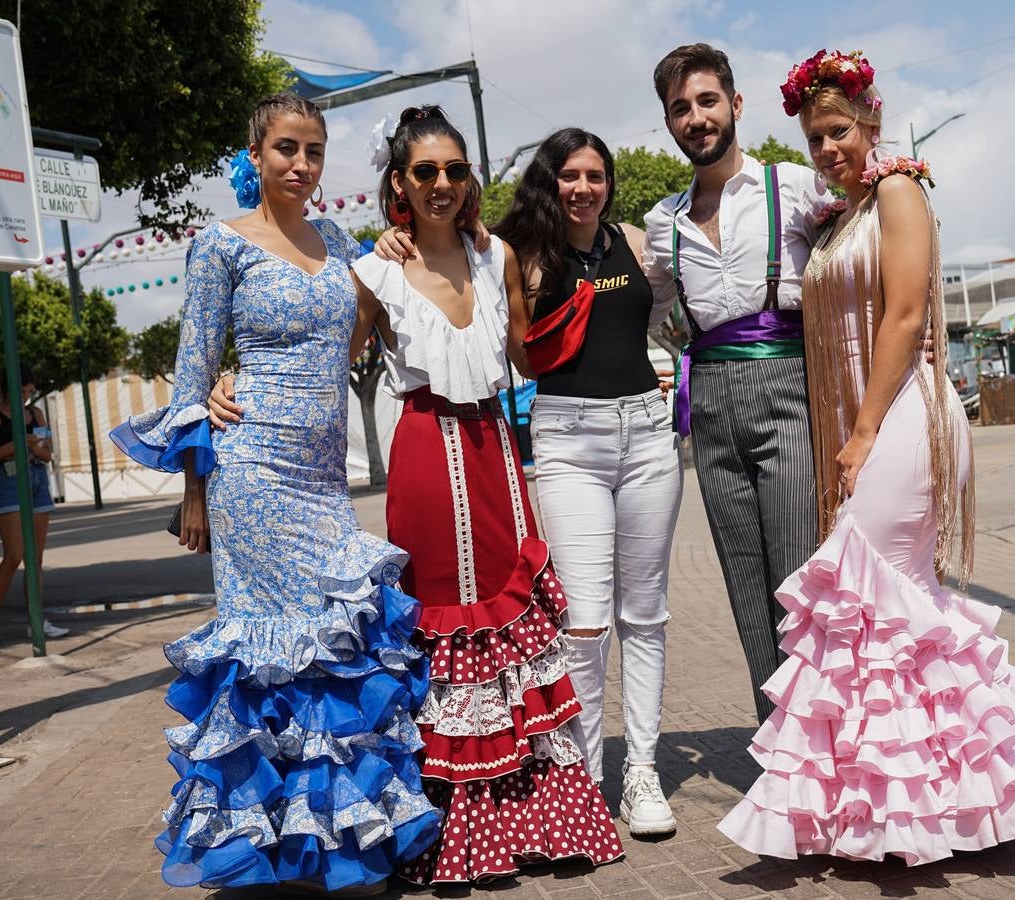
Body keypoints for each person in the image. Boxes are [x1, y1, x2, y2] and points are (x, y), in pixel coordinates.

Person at [213, 105, 624, 884]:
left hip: (498, 454)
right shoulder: (372, 271)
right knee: (441, 624)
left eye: (455, 170)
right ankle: (450, 829)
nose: (442, 184)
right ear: (398, 182)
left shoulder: (499, 254)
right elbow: (320, 358)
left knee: (512, 614)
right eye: (425, 171)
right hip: (425, 459)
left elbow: (529, 358)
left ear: (469, 180)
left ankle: (536, 820)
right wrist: (230, 382)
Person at [717, 50, 1015, 864]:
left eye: (838, 130)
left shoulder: (899, 192)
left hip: (902, 411)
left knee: (876, 595)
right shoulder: (842, 215)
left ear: (872, 118)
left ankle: (920, 807)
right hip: (868, 417)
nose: (828, 148)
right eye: (814, 139)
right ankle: (940, 801)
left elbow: (904, 318)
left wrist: (866, 429)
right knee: (892, 606)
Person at [109, 92, 440, 894]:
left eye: (314, 151)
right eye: (286, 149)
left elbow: (355, 335)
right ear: (255, 155)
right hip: (250, 471)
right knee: (268, 659)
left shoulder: (337, 240)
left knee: (333, 646)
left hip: (322, 479)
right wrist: (194, 490)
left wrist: (387, 258)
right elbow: (194, 371)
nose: (301, 165)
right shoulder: (221, 244)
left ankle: (328, 842)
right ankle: (264, 847)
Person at [493, 128, 683, 837]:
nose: (582, 188)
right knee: (584, 623)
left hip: (645, 434)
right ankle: (581, 781)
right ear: (550, 180)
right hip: (567, 441)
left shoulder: (635, 242)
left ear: (609, 182)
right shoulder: (521, 255)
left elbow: (657, 314)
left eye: (594, 175)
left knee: (646, 614)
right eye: (569, 175)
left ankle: (640, 773)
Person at [642, 44, 833, 723]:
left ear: (734, 104)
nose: (696, 117)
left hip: (789, 390)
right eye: (680, 108)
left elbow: (863, 245)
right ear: (668, 122)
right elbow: (648, 313)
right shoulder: (660, 223)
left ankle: (820, 737)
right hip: (712, 404)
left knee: (796, 575)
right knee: (743, 582)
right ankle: (778, 738)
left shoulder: (794, 186)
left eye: (706, 101)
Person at [0, 364, 68, 647]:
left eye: (29, 391)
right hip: (10, 480)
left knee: (35, 559)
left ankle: (36, 621)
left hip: (37, 480)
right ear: (7, 389)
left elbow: (47, 453)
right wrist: (17, 443)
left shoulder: (35, 413)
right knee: (14, 555)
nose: (26, 396)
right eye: (22, 391)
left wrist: (33, 446)